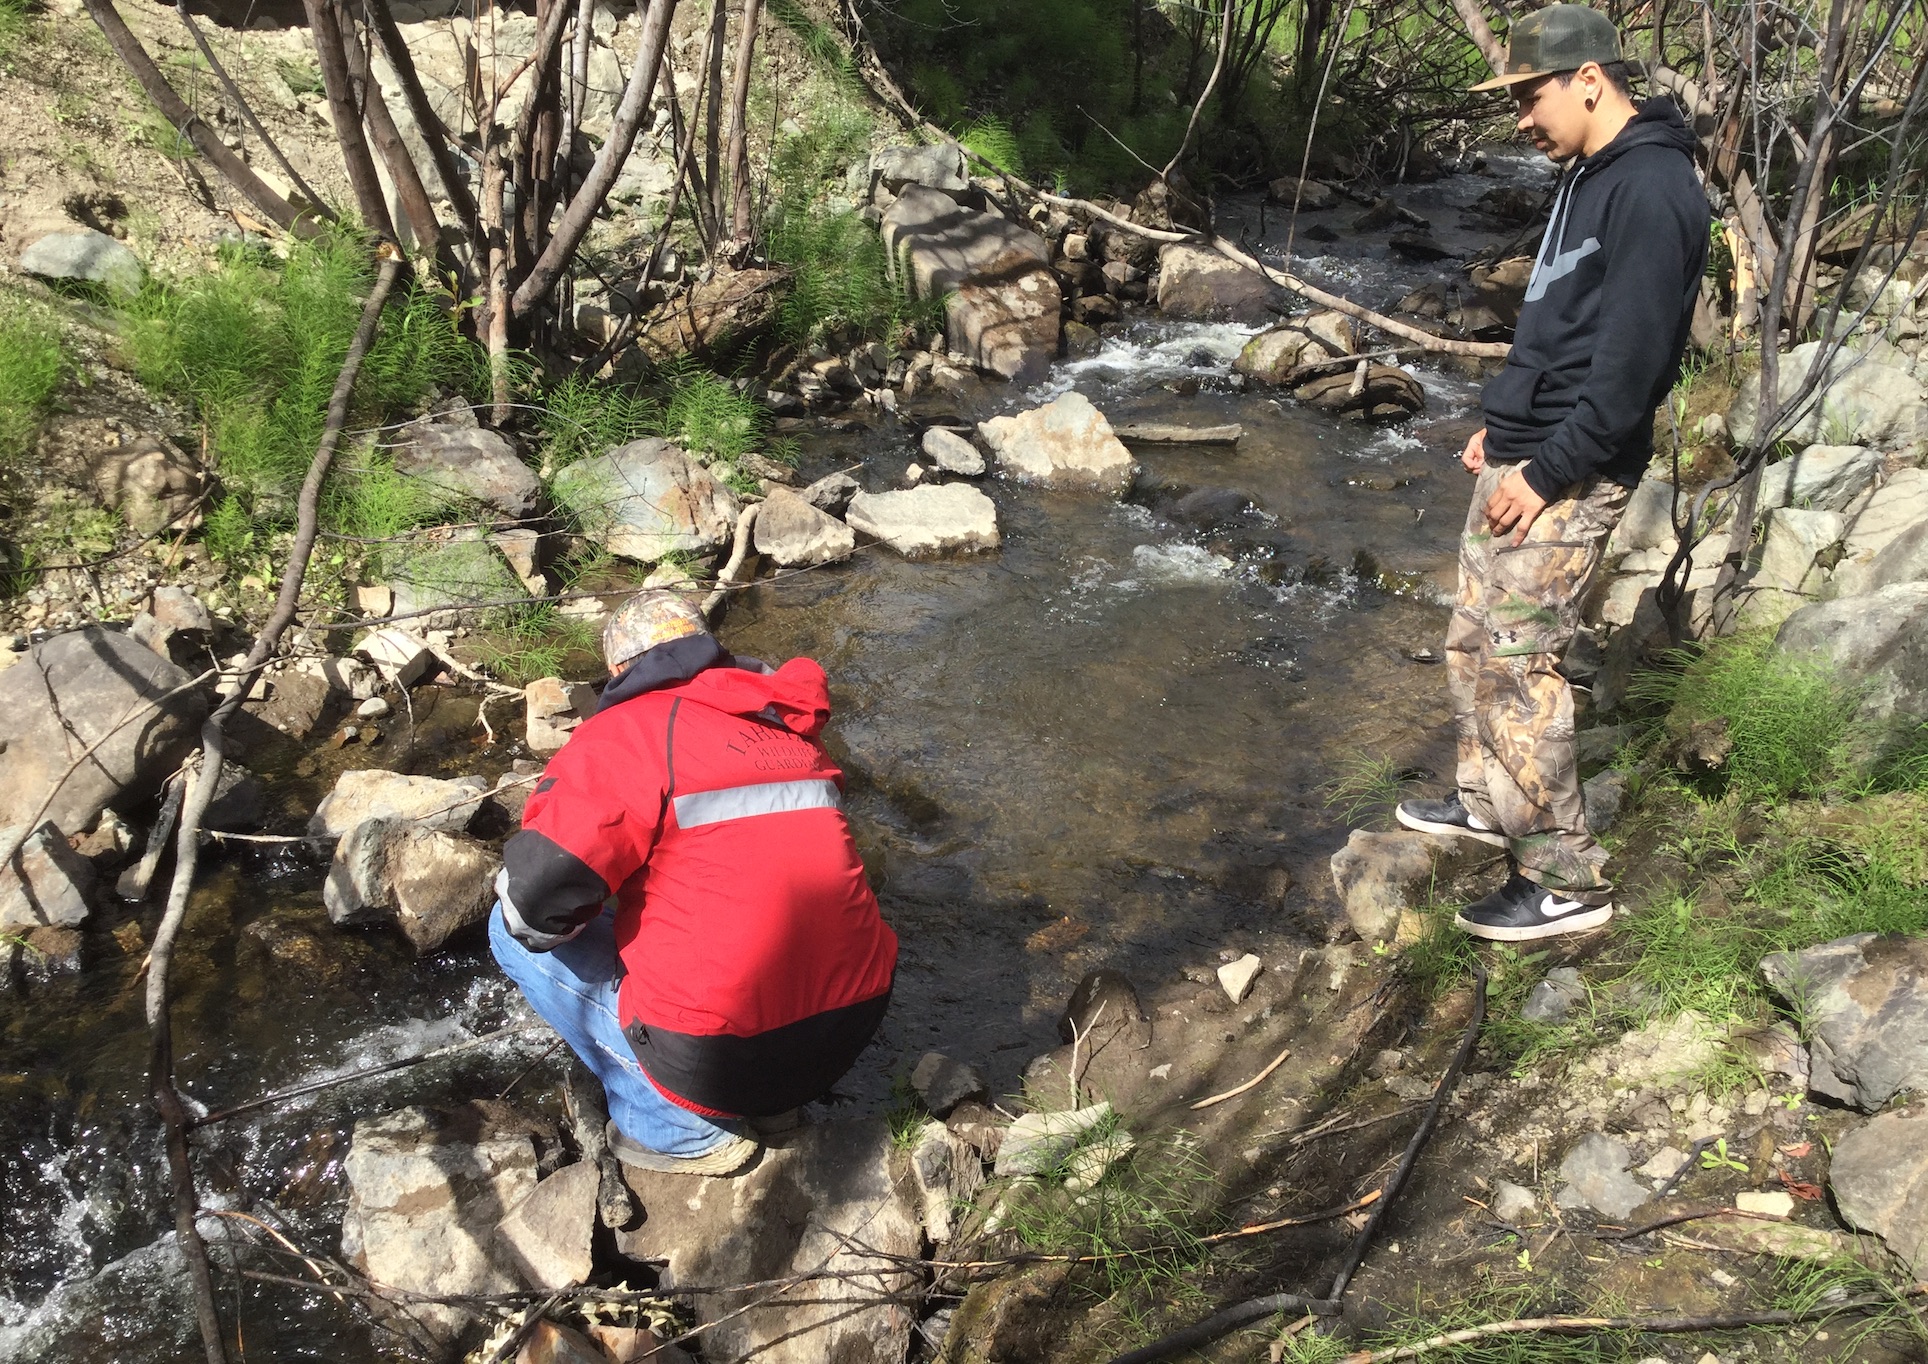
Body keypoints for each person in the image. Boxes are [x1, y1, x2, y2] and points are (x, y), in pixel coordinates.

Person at [1396, 4, 1709, 942]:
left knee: (1521, 668)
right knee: (1469, 642)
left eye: (1531, 97)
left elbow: (1631, 365)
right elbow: (1552, 320)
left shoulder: (1654, 188)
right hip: (1525, 452)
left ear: (1589, 79)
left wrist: (1549, 469)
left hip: (1574, 468)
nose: (1523, 120)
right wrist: (1500, 431)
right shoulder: (1586, 173)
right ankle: (1488, 802)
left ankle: (1565, 878)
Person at [490, 591, 898, 1174]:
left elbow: (532, 908)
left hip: (722, 1057)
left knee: (506, 927)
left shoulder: (625, 734)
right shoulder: (786, 731)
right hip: (848, 1028)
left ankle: (679, 1129)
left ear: (618, 669)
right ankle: (777, 1103)